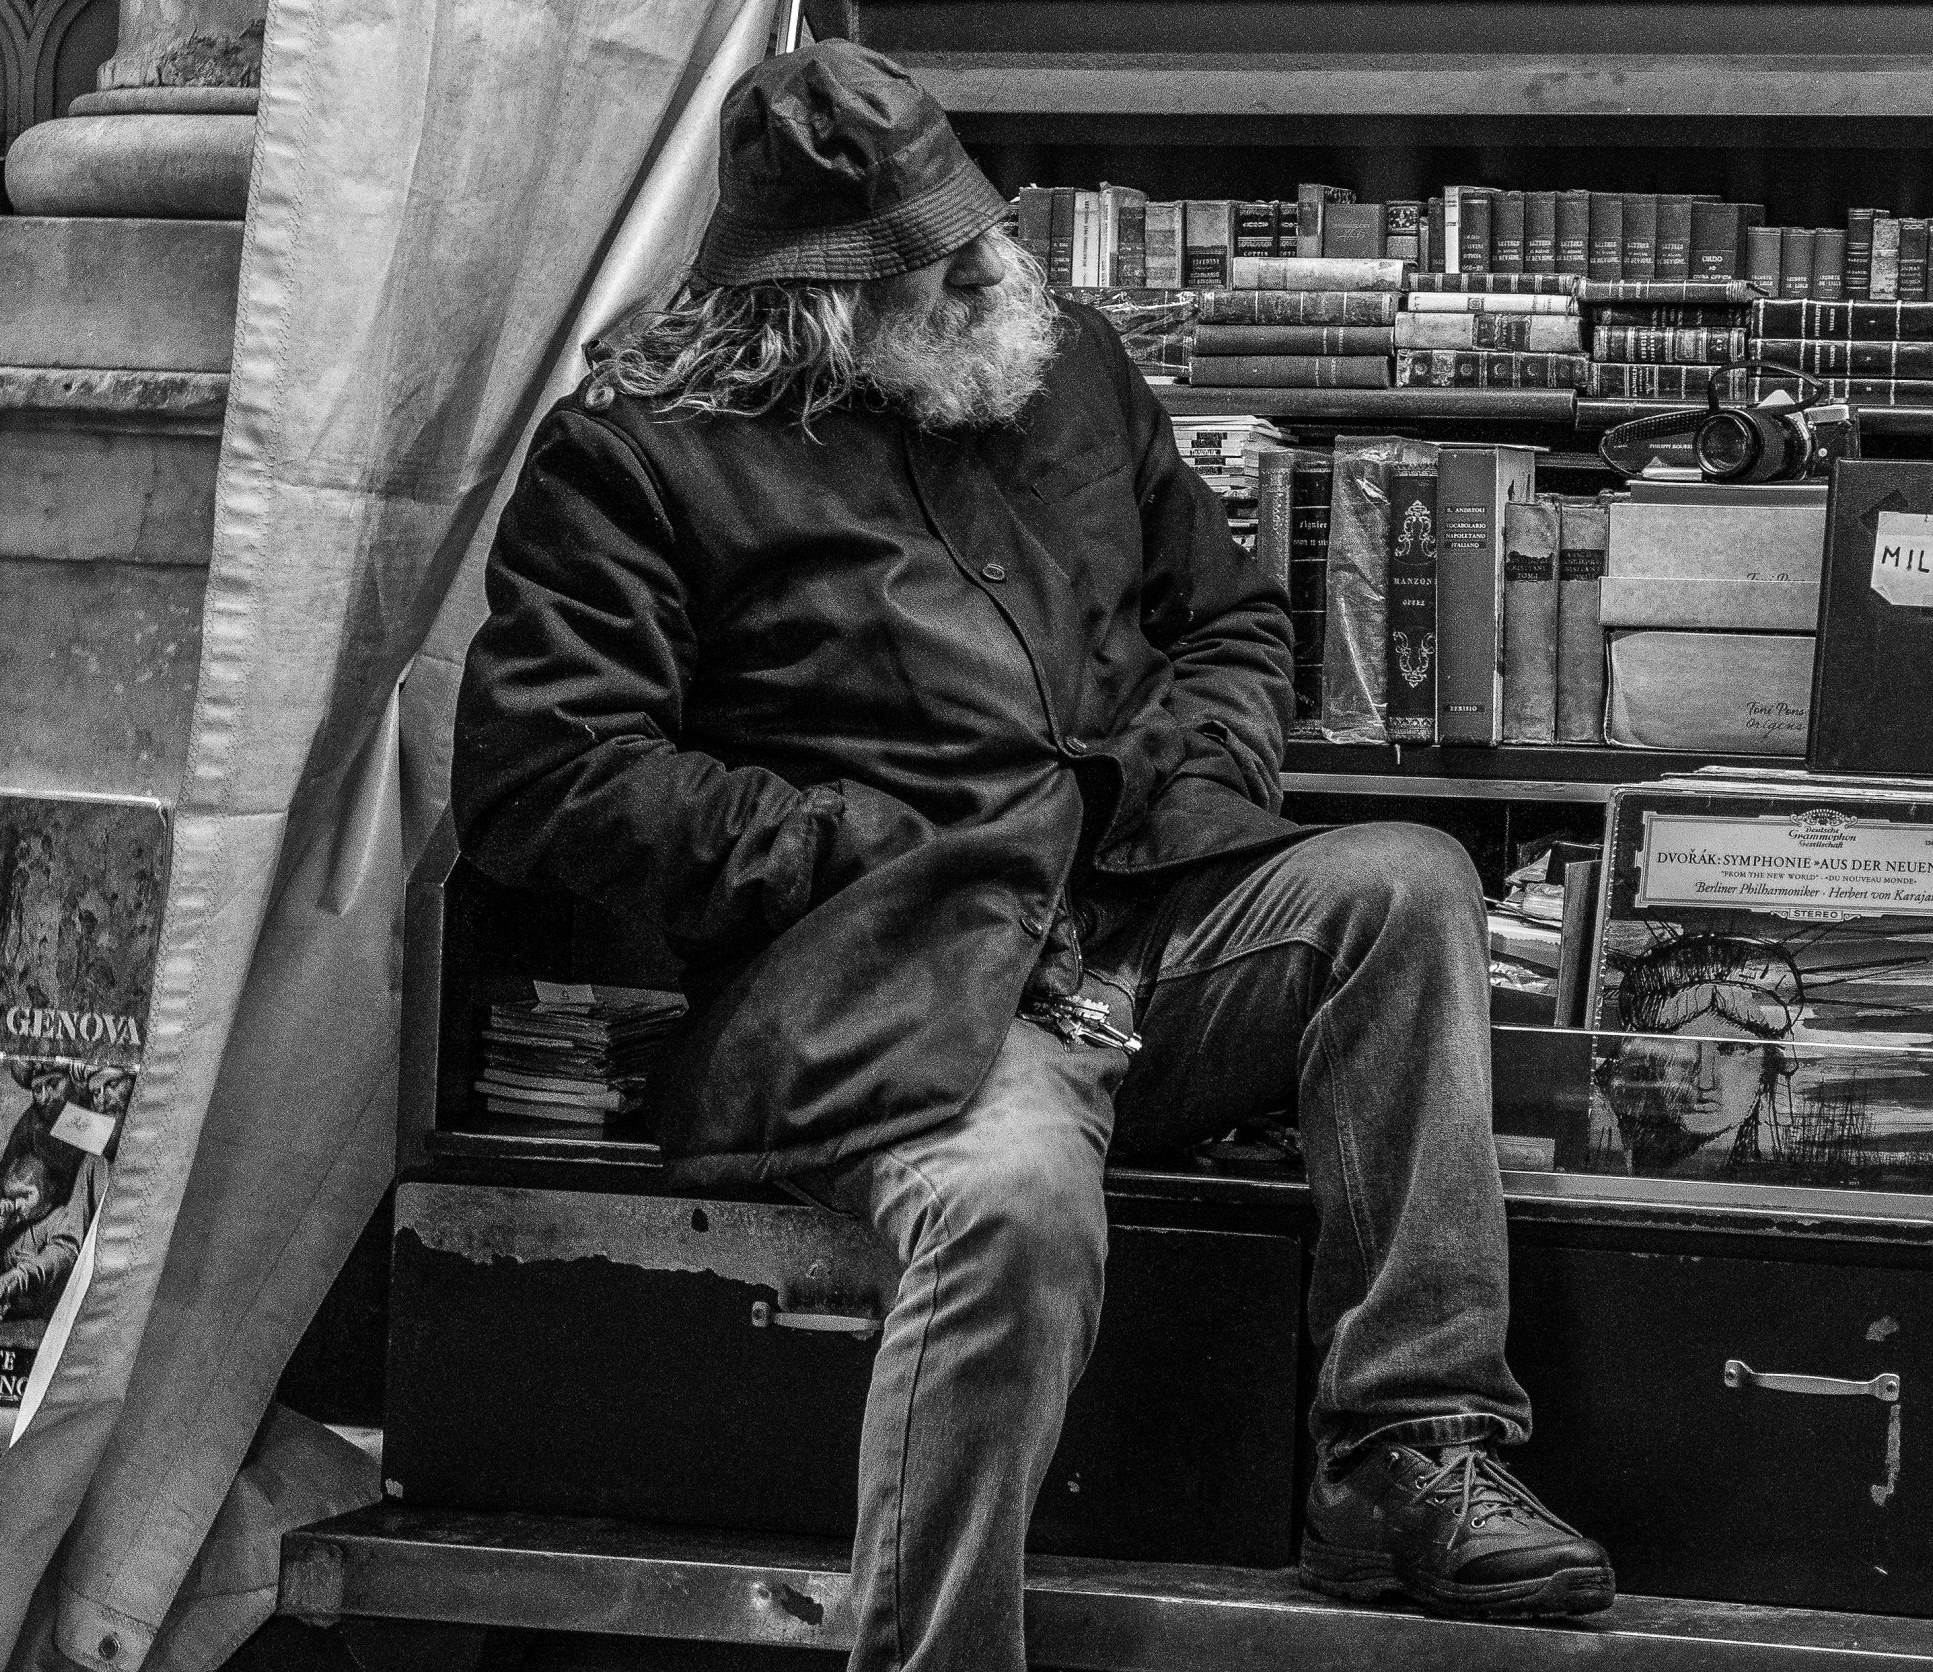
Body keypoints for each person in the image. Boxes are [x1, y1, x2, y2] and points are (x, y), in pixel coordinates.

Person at [451, 40, 1613, 1672]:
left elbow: (1229, 622)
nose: (987, 268)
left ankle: (1403, 1456)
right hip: (886, 984)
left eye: (974, 226)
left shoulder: (1060, 368)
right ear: (814, 296)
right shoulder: (635, 449)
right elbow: (547, 777)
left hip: (1139, 924)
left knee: (1408, 886)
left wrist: (1190, 778)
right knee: (1006, 1204)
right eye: (929, 257)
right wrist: (858, 848)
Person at [1588, 935, 1803, 1176]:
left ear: (1767, 1068)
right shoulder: (1602, 1146)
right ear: (1648, 1059)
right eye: (1680, 1047)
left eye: (1733, 1049)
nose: (1705, 1081)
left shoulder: (1782, 1173)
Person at [0, 1151, 78, 1325]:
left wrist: (18, 1277)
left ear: (50, 1189)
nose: (17, 1204)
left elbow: (61, 1255)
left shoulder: (61, 1217)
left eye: (25, 1195)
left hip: (31, 1318)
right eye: (12, 1197)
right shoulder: (9, 1219)